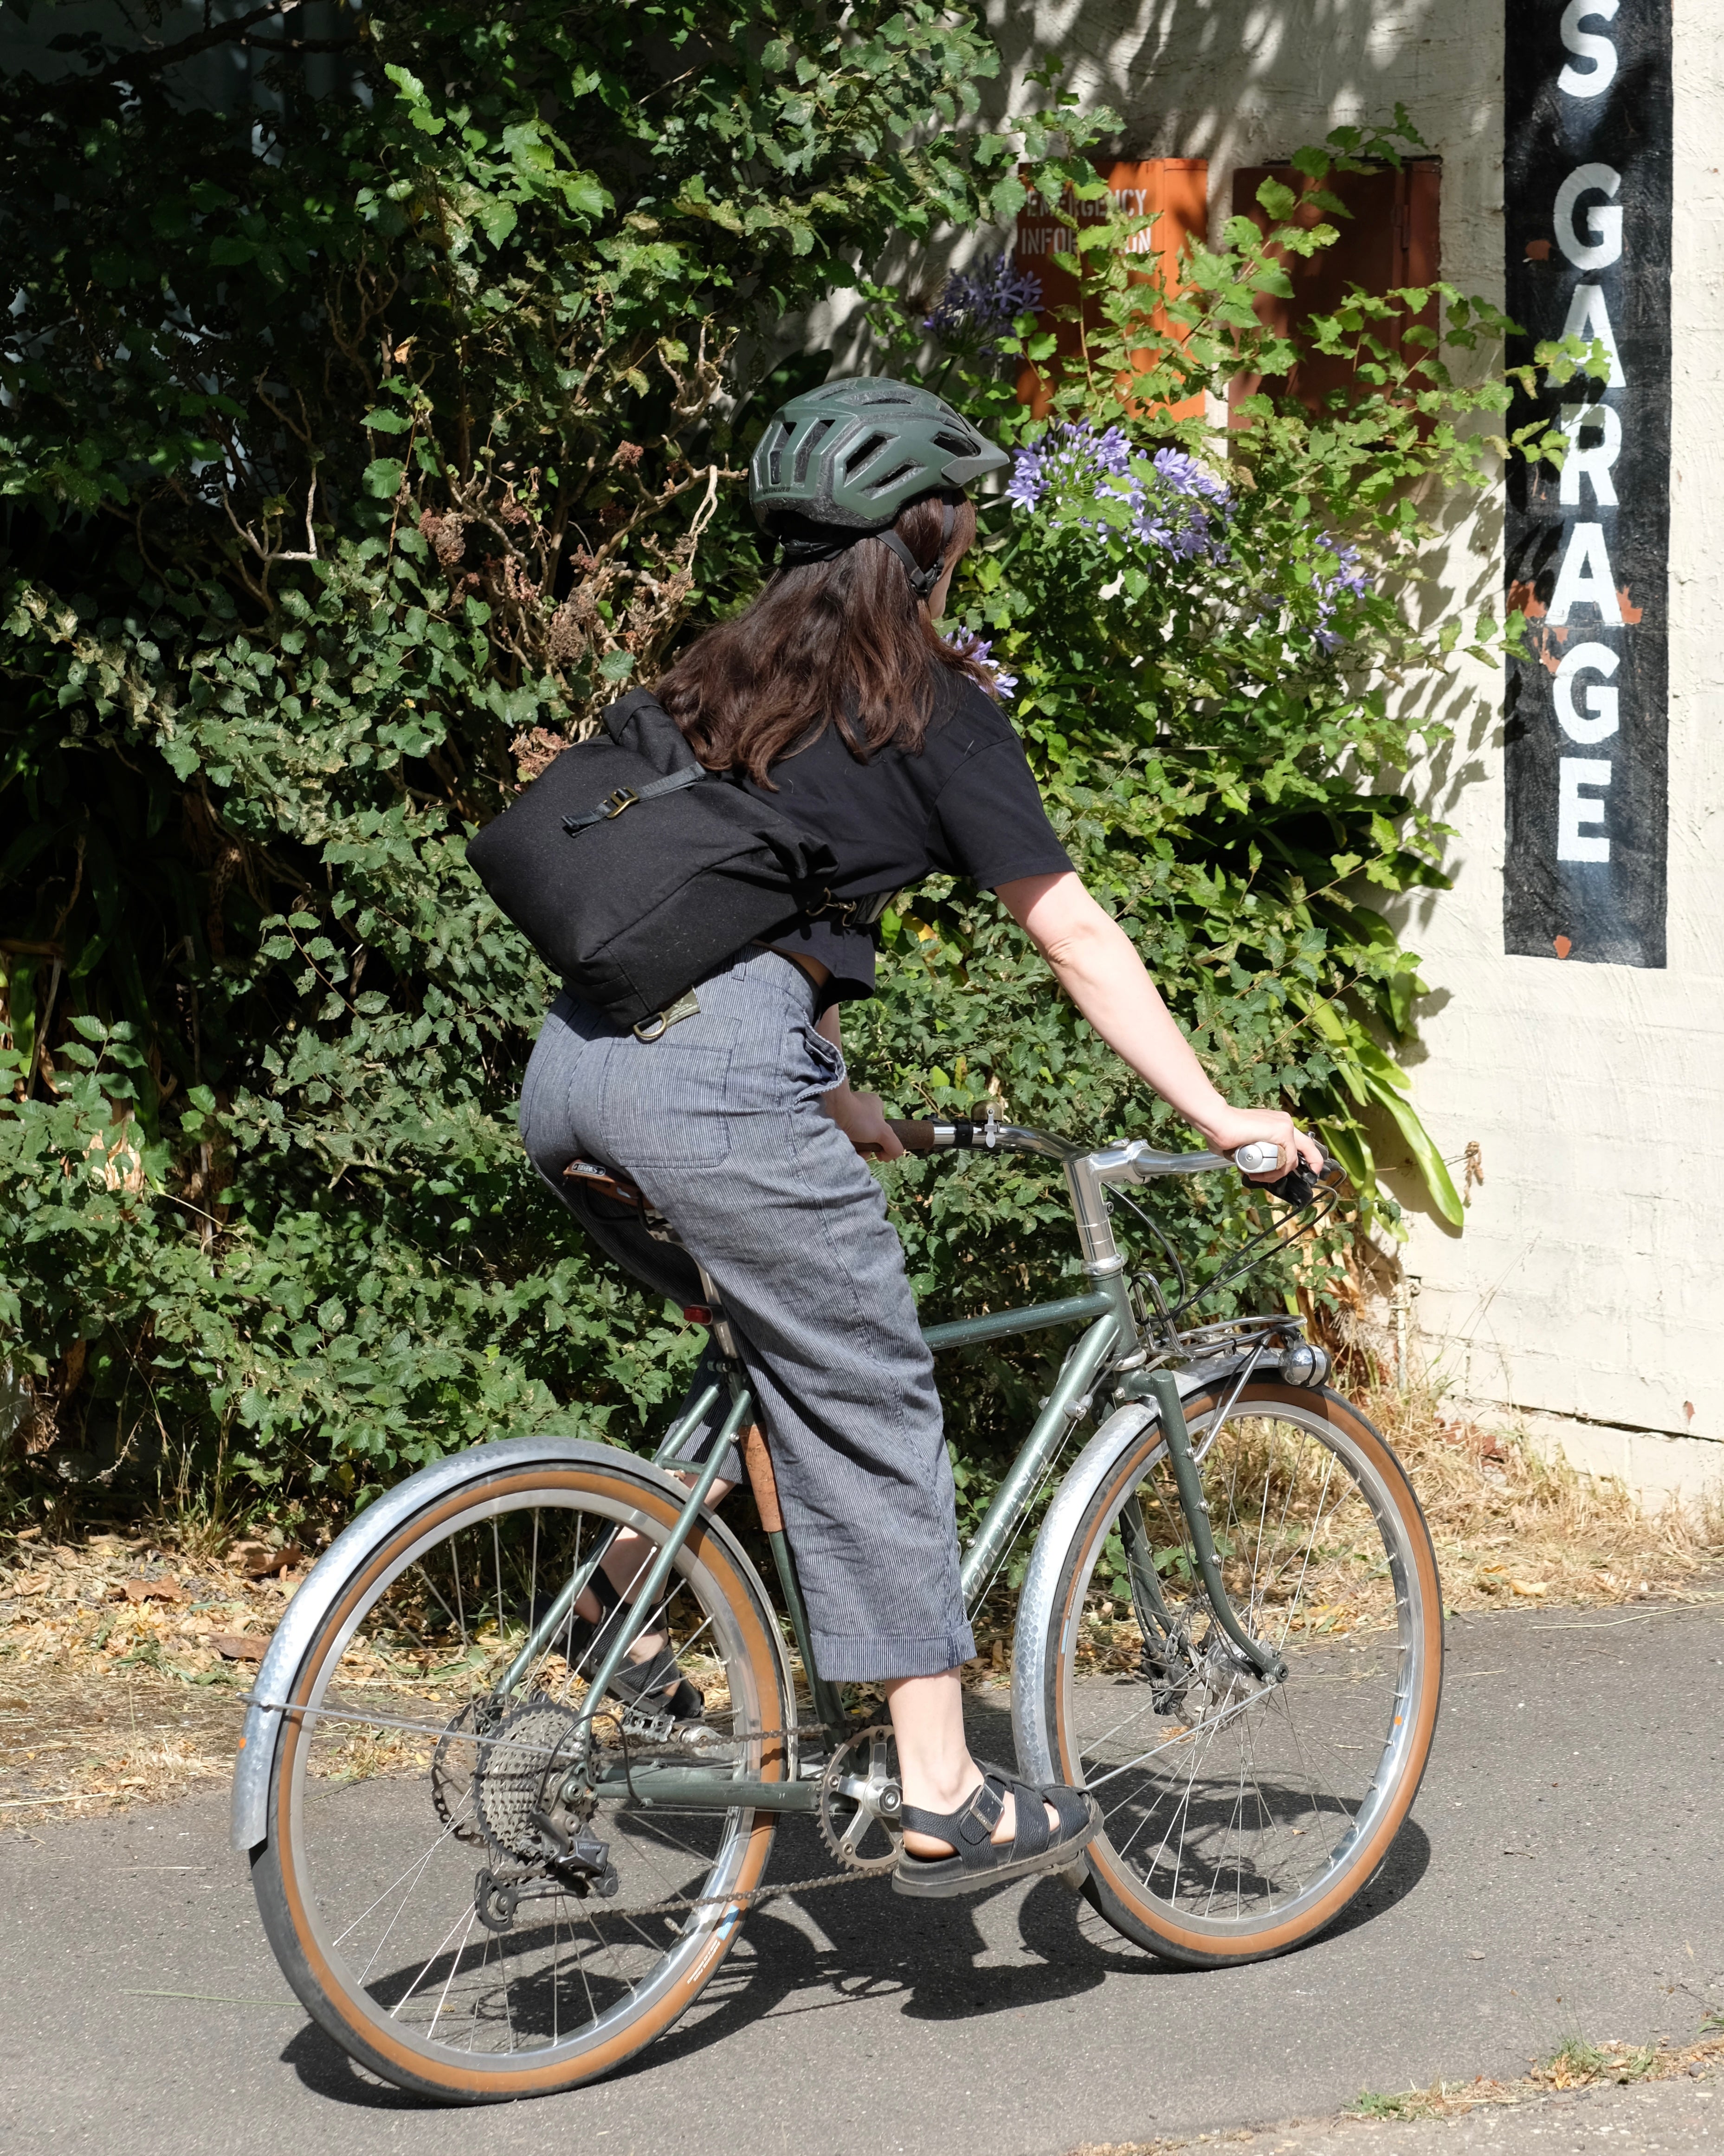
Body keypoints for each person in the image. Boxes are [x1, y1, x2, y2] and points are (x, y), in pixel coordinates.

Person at [518, 376, 1323, 1898]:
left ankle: (614, 1590)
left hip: (572, 1072)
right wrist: (1223, 1116)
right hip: (711, 1087)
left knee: (774, 1357)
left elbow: (717, 912)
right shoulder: (931, 710)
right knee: (876, 1391)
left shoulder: (708, 683)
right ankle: (945, 1790)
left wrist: (825, 1084)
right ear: (930, 538)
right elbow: (1071, 933)